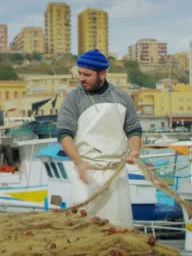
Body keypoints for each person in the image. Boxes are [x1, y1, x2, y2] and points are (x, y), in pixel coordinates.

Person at [57, 49, 142, 228]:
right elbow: (64, 135)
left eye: (87, 74)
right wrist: (78, 162)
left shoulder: (122, 98)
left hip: (116, 175)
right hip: (87, 174)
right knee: (86, 229)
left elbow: (134, 129)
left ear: (102, 73)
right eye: (79, 73)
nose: (81, 78)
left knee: (120, 228)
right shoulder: (73, 99)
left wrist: (134, 151)